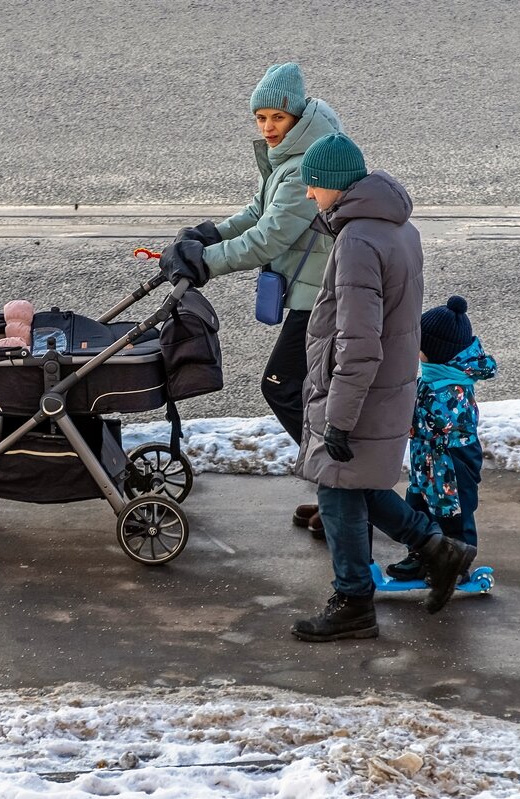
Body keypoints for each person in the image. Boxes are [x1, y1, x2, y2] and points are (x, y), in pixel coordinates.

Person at [290, 132, 476, 642]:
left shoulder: (356, 241)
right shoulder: (398, 227)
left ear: (334, 185)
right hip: (389, 383)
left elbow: (359, 340)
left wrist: (339, 419)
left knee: (336, 492)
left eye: (313, 185)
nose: (309, 194)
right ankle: (439, 549)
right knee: (361, 486)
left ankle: (353, 603)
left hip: (360, 391)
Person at [158, 62, 342, 537]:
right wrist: (208, 233)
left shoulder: (306, 163)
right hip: (313, 292)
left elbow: (269, 236)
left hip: (323, 297)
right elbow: (258, 210)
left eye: (276, 118)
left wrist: (207, 262)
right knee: (310, 394)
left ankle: (342, 491)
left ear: (296, 114)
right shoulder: (292, 153)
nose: (267, 128)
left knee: (282, 386)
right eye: (260, 118)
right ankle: (336, 496)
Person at [386, 296, 498, 580]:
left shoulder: (450, 388)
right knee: (419, 505)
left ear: (435, 350)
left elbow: (435, 422)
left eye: (419, 344)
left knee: (454, 514)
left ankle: (456, 564)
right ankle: (421, 555)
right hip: (428, 459)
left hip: (453, 461)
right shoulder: (435, 375)